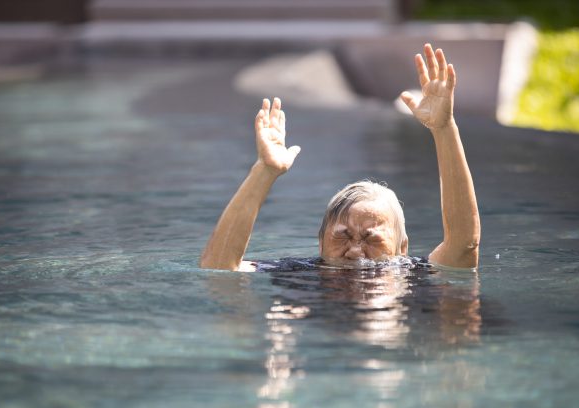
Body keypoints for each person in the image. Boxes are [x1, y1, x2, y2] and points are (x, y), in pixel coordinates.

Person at [200, 44, 480, 272]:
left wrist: (444, 129)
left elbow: (464, 245)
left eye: (371, 238)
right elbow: (219, 268)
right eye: (343, 235)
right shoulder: (303, 275)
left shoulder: (414, 275)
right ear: (321, 243)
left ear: (402, 247)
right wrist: (264, 171)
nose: (356, 251)